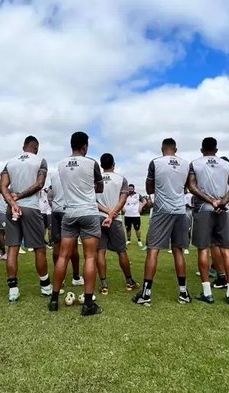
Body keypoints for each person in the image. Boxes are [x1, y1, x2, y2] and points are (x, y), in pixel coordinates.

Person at [48, 131, 103, 316]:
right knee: (89, 257)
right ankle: (88, 303)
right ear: (85, 146)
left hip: (69, 212)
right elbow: (100, 187)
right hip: (88, 211)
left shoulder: (60, 165)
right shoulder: (92, 163)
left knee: (62, 257)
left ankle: (54, 300)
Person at [133, 138, 190, 305]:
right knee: (178, 250)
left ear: (162, 149)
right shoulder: (185, 164)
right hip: (180, 210)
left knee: (153, 250)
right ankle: (183, 293)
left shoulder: (156, 162)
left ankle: (146, 294)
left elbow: (150, 188)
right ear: (176, 149)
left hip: (162, 211)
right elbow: (186, 186)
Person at [0, 136, 53, 303]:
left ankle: (13, 290)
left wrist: (13, 202)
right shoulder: (40, 160)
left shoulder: (10, 162)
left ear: (24, 147)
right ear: (36, 147)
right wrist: (21, 196)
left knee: (12, 249)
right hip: (31, 208)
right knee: (39, 249)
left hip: (12, 208)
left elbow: (3, 187)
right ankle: (45, 286)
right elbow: (40, 184)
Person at [188, 137, 229, 305]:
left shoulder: (195, 163)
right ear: (216, 150)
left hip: (204, 208)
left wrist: (211, 201)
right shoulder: (226, 164)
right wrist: (222, 202)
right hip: (222, 209)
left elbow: (192, 187)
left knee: (204, 250)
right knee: (226, 250)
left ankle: (207, 292)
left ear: (202, 149)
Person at [96, 153, 139, 295]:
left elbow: (93, 202)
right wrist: (112, 213)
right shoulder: (121, 179)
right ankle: (129, 282)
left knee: (100, 251)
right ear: (113, 164)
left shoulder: (95, 180)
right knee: (121, 251)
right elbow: (122, 201)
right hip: (114, 219)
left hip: (99, 217)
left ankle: (104, 285)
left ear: (101, 165)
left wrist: (107, 212)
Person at [49, 168, 84, 287]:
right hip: (69, 210)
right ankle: (76, 277)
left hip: (55, 211)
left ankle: (60, 277)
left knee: (57, 244)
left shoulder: (53, 173)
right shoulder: (74, 172)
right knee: (73, 246)